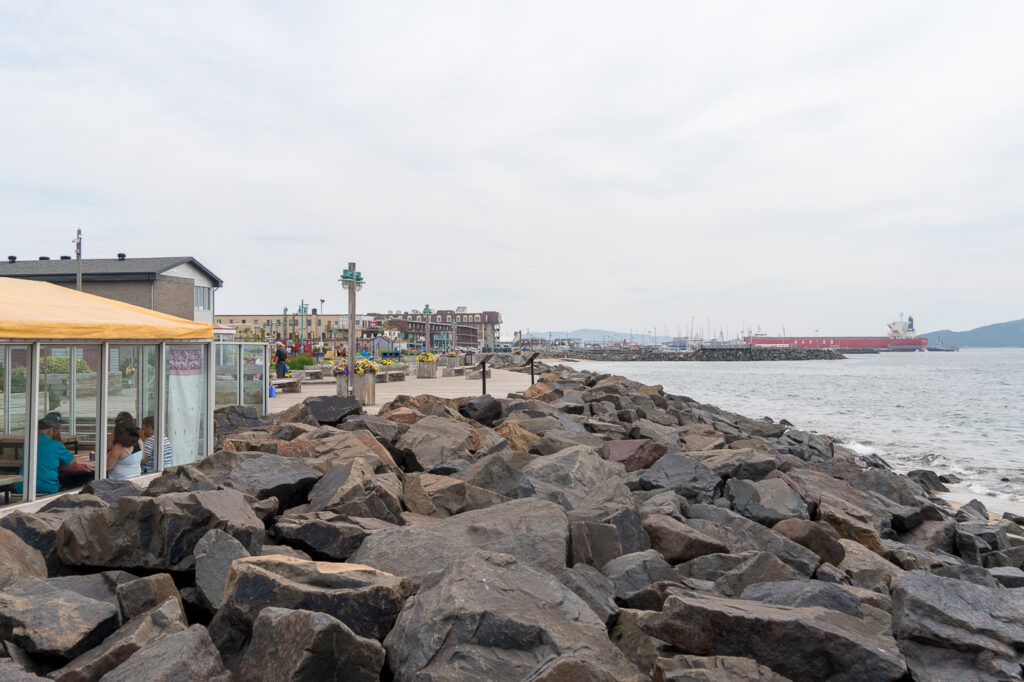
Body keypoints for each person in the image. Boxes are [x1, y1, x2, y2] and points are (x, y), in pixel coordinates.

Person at [14, 412, 76, 495]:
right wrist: (57, 437)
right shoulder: (55, 444)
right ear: (53, 429)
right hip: (47, 488)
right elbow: (71, 461)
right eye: (58, 428)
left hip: (22, 488)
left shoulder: (28, 444)